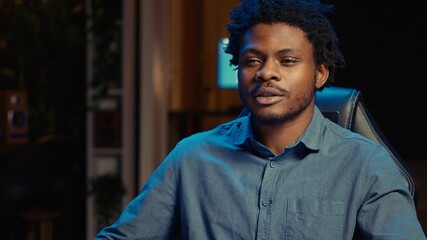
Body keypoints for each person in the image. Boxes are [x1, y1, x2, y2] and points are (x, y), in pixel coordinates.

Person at [95, 0, 426, 239]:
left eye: (287, 60)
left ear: (320, 74)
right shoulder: (192, 157)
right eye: (253, 60)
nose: (266, 72)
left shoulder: (365, 165)